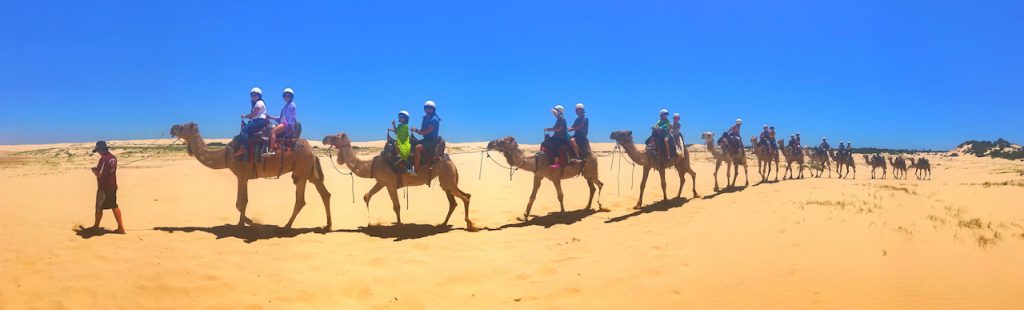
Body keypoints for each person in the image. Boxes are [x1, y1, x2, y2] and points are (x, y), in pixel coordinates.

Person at [90, 141, 125, 234]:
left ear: (101, 149)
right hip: (113, 185)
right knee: (114, 205)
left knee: (99, 207)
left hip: (104, 187)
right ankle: (121, 228)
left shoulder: (103, 159)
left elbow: (99, 175)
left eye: (98, 150)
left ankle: (96, 226)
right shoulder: (113, 158)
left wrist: (94, 171)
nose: (98, 152)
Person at [233, 87, 269, 157]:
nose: (253, 97)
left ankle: (243, 148)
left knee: (244, 131)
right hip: (258, 121)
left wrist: (245, 116)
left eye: (255, 95)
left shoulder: (259, 103)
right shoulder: (257, 104)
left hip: (259, 121)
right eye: (252, 95)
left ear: (259, 96)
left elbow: (254, 114)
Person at [411, 100, 441, 169]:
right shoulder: (425, 118)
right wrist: (416, 131)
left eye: (430, 108)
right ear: (424, 109)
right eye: (427, 108)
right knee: (412, 143)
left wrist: (415, 130)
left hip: (432, 141)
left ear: (433, 109)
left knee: (417, 148)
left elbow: (426, 132)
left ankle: (415, 169)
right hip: (425, 140)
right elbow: (422, 131)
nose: (428, 110)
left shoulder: (434, 120)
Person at [268, 88, 297, 153]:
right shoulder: (285, 106)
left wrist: (290, 128)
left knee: (273, 132)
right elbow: (280, 118)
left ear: (291, 97)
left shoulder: (292, 105)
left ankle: (271, 150)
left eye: (288, 95)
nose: (287, 97)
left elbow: (292, 118)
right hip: (283, 123)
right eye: (285, 95)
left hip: (286, 125)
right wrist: (270, 117)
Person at [390, 110, 417, 175]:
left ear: (406, 118)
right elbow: (397, 132)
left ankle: (409, 166)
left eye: (402, 117)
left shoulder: (405, 126)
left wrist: (393, 127)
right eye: (399, 117)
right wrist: (393, 125)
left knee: (400, 148)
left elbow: (398, 132)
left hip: (404, 143)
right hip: (401, 141)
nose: (400, 118)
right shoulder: (400, 126)